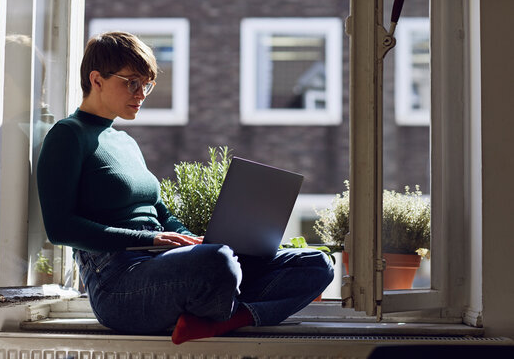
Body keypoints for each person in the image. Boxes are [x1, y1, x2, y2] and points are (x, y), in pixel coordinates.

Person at [37, 31, 334, 344]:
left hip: (166, 268)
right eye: (132, 82)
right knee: (218, 262)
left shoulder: (124, 142)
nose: (141, 93)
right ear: (96, 79)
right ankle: (221, 308)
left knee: (315, 263)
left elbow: (160, 211)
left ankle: (225, 320)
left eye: (147, 84)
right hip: (118, 282)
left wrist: (196, 240)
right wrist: (152, 239)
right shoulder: (67, 136)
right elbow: (60, 228)